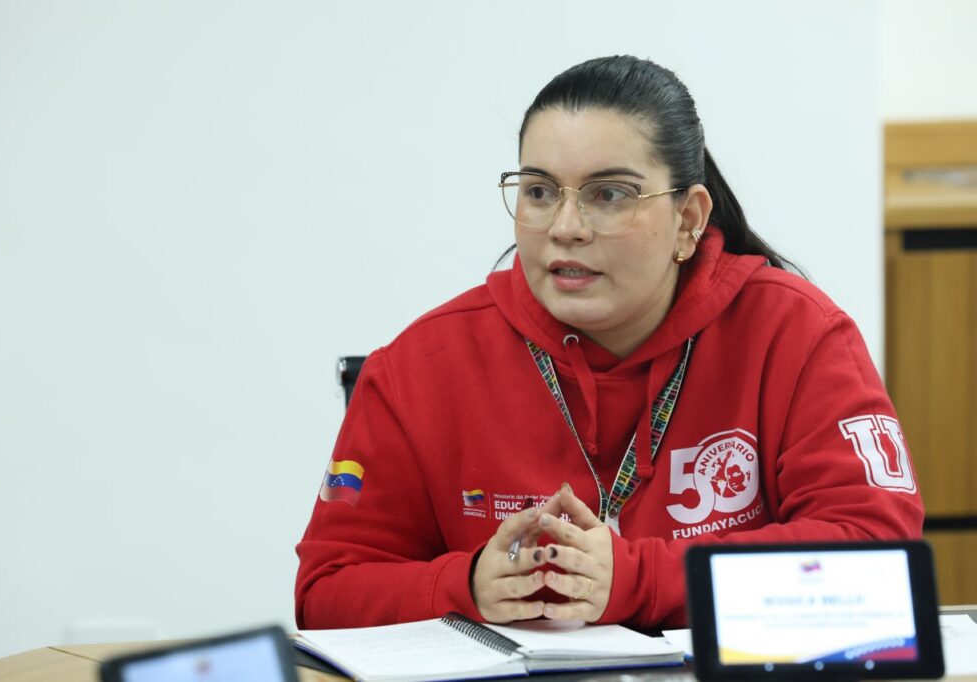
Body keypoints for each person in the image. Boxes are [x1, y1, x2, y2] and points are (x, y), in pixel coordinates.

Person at [295, 56, 923, 630]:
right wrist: (465, 586)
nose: (566, 227)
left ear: (688, 220)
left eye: (609, 195)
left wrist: (639, 579)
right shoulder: (420, 366)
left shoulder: (796, 334)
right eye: (540, 192)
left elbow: (878, 561)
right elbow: (326, 592)